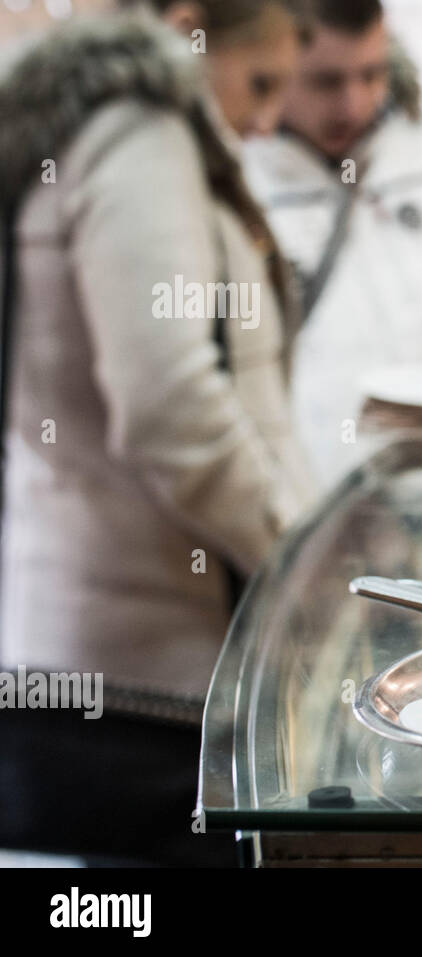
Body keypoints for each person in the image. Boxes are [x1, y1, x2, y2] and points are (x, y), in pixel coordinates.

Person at [0, 0, 314, 865]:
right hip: (153, 673)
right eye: (258, 82)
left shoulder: (79, 128)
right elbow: (169, 405)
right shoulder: (140, 132)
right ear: (188, 27)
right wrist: (304, 562)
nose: (265, 117)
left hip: (96, 642)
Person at [243, 0, 422, 485]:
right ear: (279, 63)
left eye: (372, 75)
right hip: (315, 506)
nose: (354, 103)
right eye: (326, 81)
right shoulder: (238, 182)